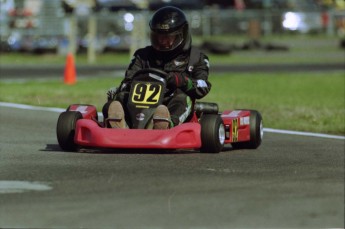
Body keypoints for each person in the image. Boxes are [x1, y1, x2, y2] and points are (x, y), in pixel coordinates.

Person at [102, 6, 211, 129]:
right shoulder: (142, 55)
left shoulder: (196, 58)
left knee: (183, 99)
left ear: (182, 35)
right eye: (159, 37)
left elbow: (204, 85)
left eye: (168, 37)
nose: (162, 42)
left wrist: (181, 80)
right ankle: (123, 124)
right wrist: (125, 87)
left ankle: (166, 124)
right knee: (120, 97)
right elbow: (128, 80)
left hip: (171, 103)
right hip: (138, 104)